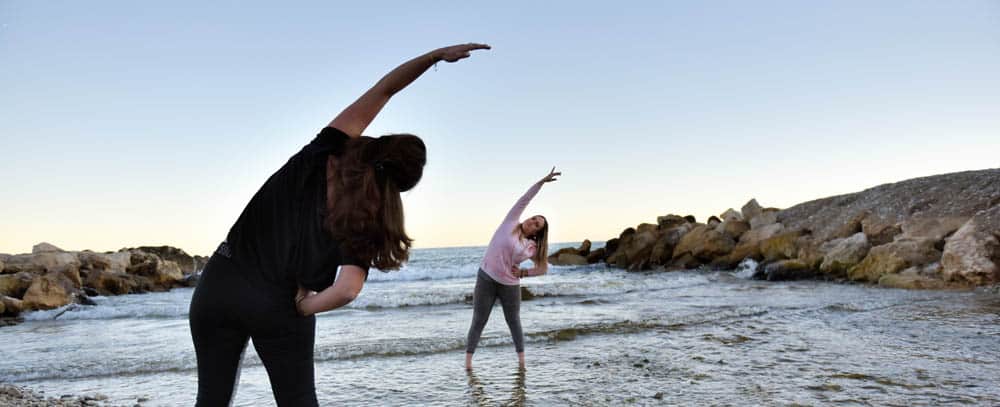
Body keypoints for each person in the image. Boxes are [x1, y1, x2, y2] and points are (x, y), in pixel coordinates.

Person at [188, 43, 490, 406]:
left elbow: (384, 90)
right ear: (399, 187)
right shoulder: (369, 218)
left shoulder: (322, 152)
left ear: (380, 145)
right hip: (278, 302)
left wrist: (432, 58)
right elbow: (347, 289)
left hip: (220, 284)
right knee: (298, 400)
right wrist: (301, 308)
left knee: (211, 400)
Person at [465, 167, 560, 370]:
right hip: (486, 278)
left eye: (537, 225)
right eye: (534, 218)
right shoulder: (510, 222)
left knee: (513, 322)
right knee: (479, 320)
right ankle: (468, 363)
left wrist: (525, 273)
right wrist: (541, 182)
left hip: (509, 284)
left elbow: (543, 268)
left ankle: (522, 363)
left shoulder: (532, 246)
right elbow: (525, 199)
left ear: (537, 233)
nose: (533, 222)